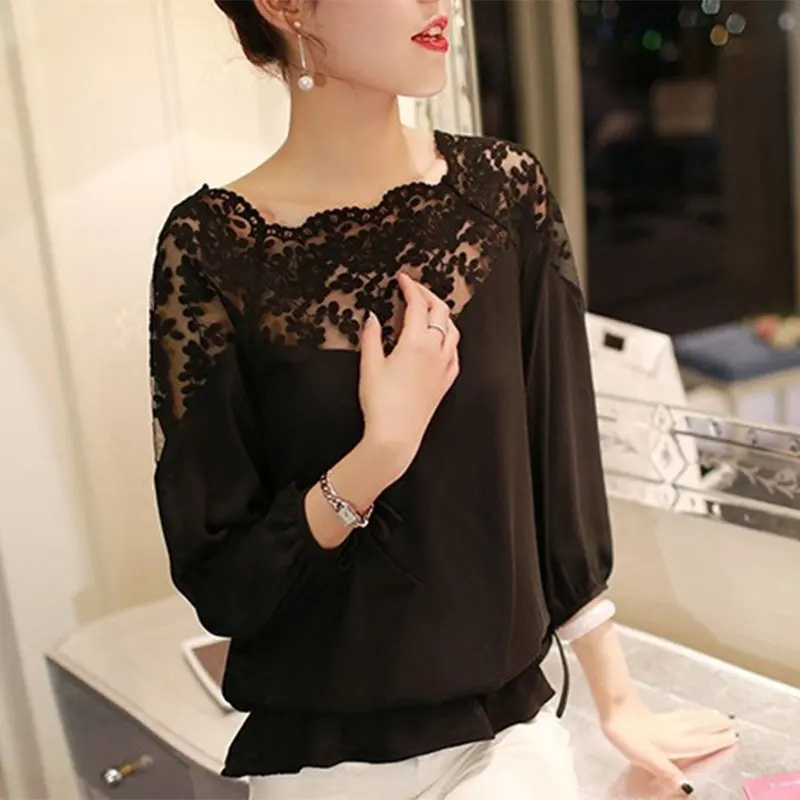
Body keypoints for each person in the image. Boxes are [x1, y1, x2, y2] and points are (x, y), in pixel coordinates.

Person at [148, 1, 737, 798]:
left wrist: (618, 699)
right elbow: (225, 583)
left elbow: (556, 470)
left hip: (506, 749)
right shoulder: (210, 249)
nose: (440, 4)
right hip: (324, 770)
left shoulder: (503, 195)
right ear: (284, 6)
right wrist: (378, 456)